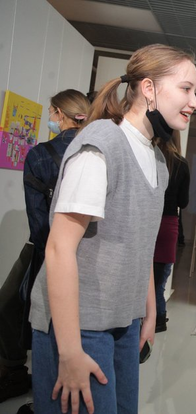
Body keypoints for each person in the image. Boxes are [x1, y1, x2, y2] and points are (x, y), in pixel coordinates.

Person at [29, 43, 196, 414]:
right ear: (149, 88)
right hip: (80, 325)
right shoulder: (101, 145)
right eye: (186, 89)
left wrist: (148, 311)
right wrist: (69, 352)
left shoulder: (157, 159)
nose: (195, 102)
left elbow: (140, 244)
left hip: (124, 321)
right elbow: (58, 249)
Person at [0, 89, 90, 405]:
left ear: (58, 114)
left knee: (21, 310)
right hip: (89, 250)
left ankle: (24, 380)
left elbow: (39, 224)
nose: (50, 118)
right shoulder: (96, 151)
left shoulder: (39, 155)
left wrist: (49, 258)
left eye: (51, 112)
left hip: (49, 248)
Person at [153, 130, 190, 333]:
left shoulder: (150, 157)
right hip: (168, 224)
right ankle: (158, 319)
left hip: (148, 220)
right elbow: (183, 202)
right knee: (159, 282)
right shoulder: (181, 164)